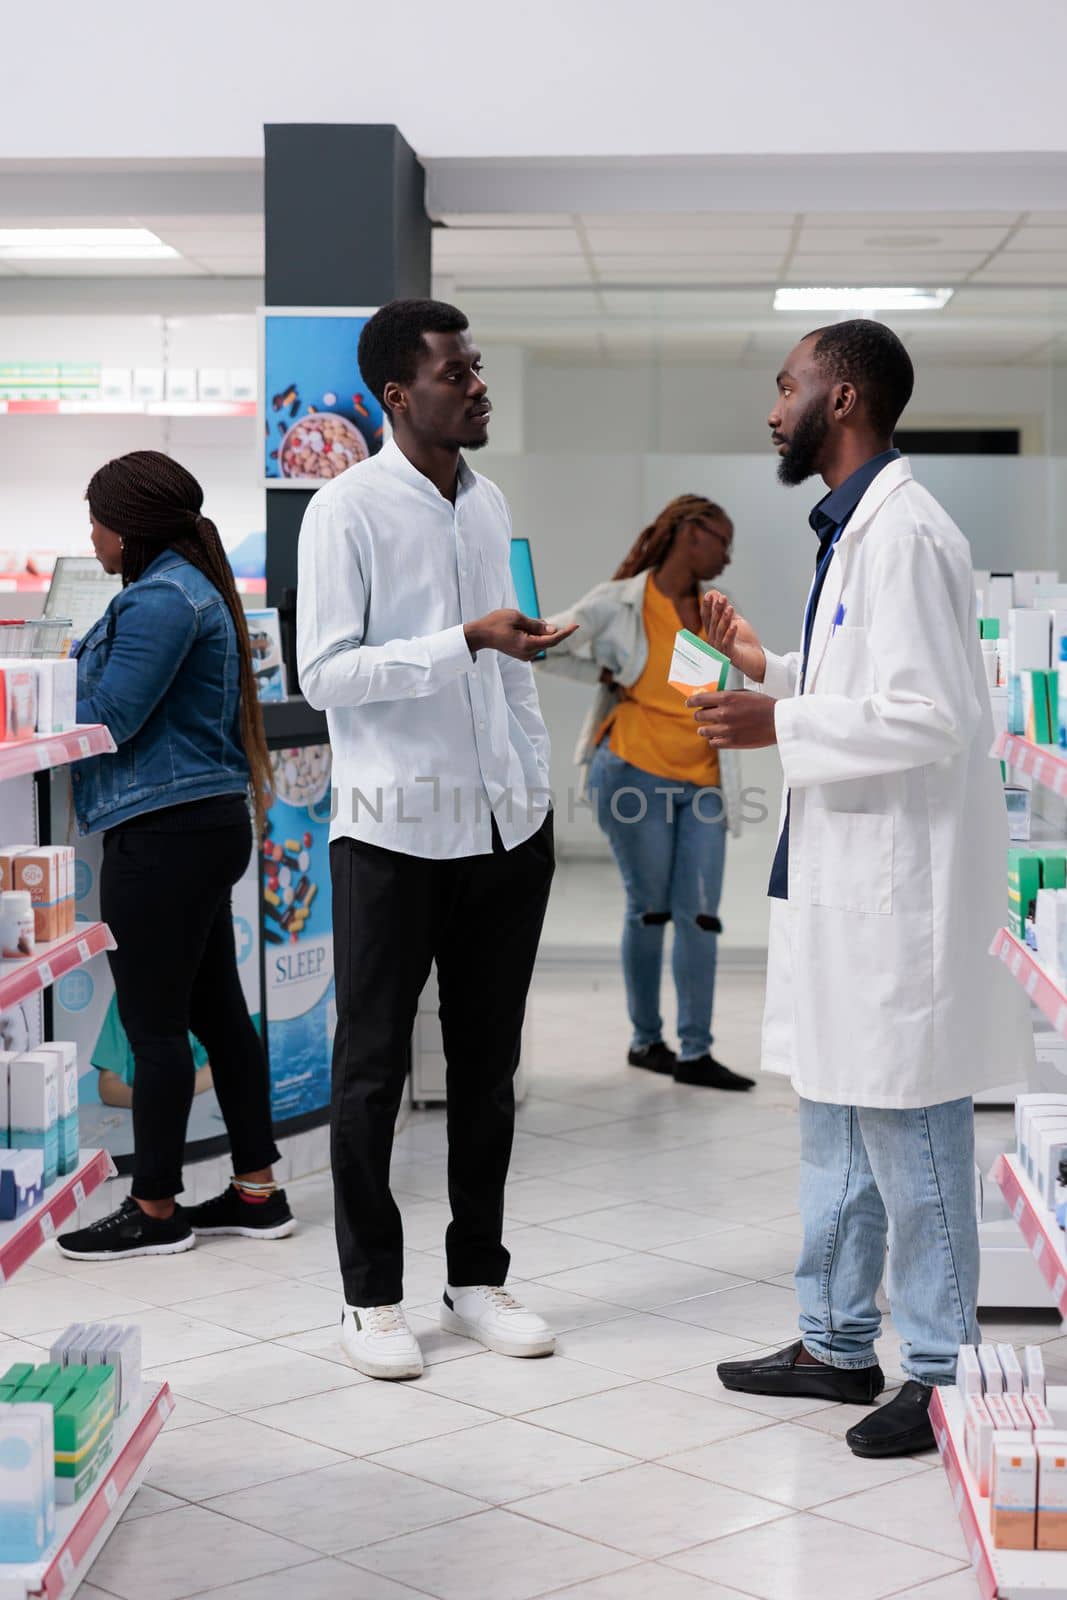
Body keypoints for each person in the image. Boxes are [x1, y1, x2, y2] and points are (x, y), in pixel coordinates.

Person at [691, 321, 1031, 1458]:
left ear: (840, 398)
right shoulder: (852, 530)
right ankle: (835, 1343)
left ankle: (936, 1370)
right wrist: (769, 675)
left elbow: (930, 715)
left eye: (785, 387)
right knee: (835, 1113)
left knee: (906, 1121)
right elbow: (866, 689)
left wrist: (773, 720)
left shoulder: (904, 534)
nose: (771, 407)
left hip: (898, 899)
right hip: (844, 885)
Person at [297, 298, 576, 1381]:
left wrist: (533, 783)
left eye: (475, 368)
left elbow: (503, 668)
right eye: (455, 371)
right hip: (391, 833)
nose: (475, 384)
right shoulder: (346, 511)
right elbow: (325, 674)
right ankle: (370, 1297)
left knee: (486, 1068)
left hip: (505, 829)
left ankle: (475, 1279)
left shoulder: (484, 500)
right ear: (395, 394)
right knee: (371, 1072)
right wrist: (458, 641)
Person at [57, 451, 296, 1261]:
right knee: (216, 1014)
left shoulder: (162, 599)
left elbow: (112, 716)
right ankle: (257, 1191)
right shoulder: (185, 589)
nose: (90, 536)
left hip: (162, 833)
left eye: (95, 520)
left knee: (154, 1028)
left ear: (125, 527)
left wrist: (41, 691)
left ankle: (155, 1209)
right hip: (195, 828)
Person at [539, 496, 753, 1091]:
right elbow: (545, 643)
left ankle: (696, 1052)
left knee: (701, 914)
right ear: (690, 533)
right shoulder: (623, 601)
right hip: (633, 771)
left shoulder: (707, 611)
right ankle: (646, 1042)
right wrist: (601, 675)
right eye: (721, 539)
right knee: (651, 908)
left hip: (704, 779)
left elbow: (688, 692)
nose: (728, 555)